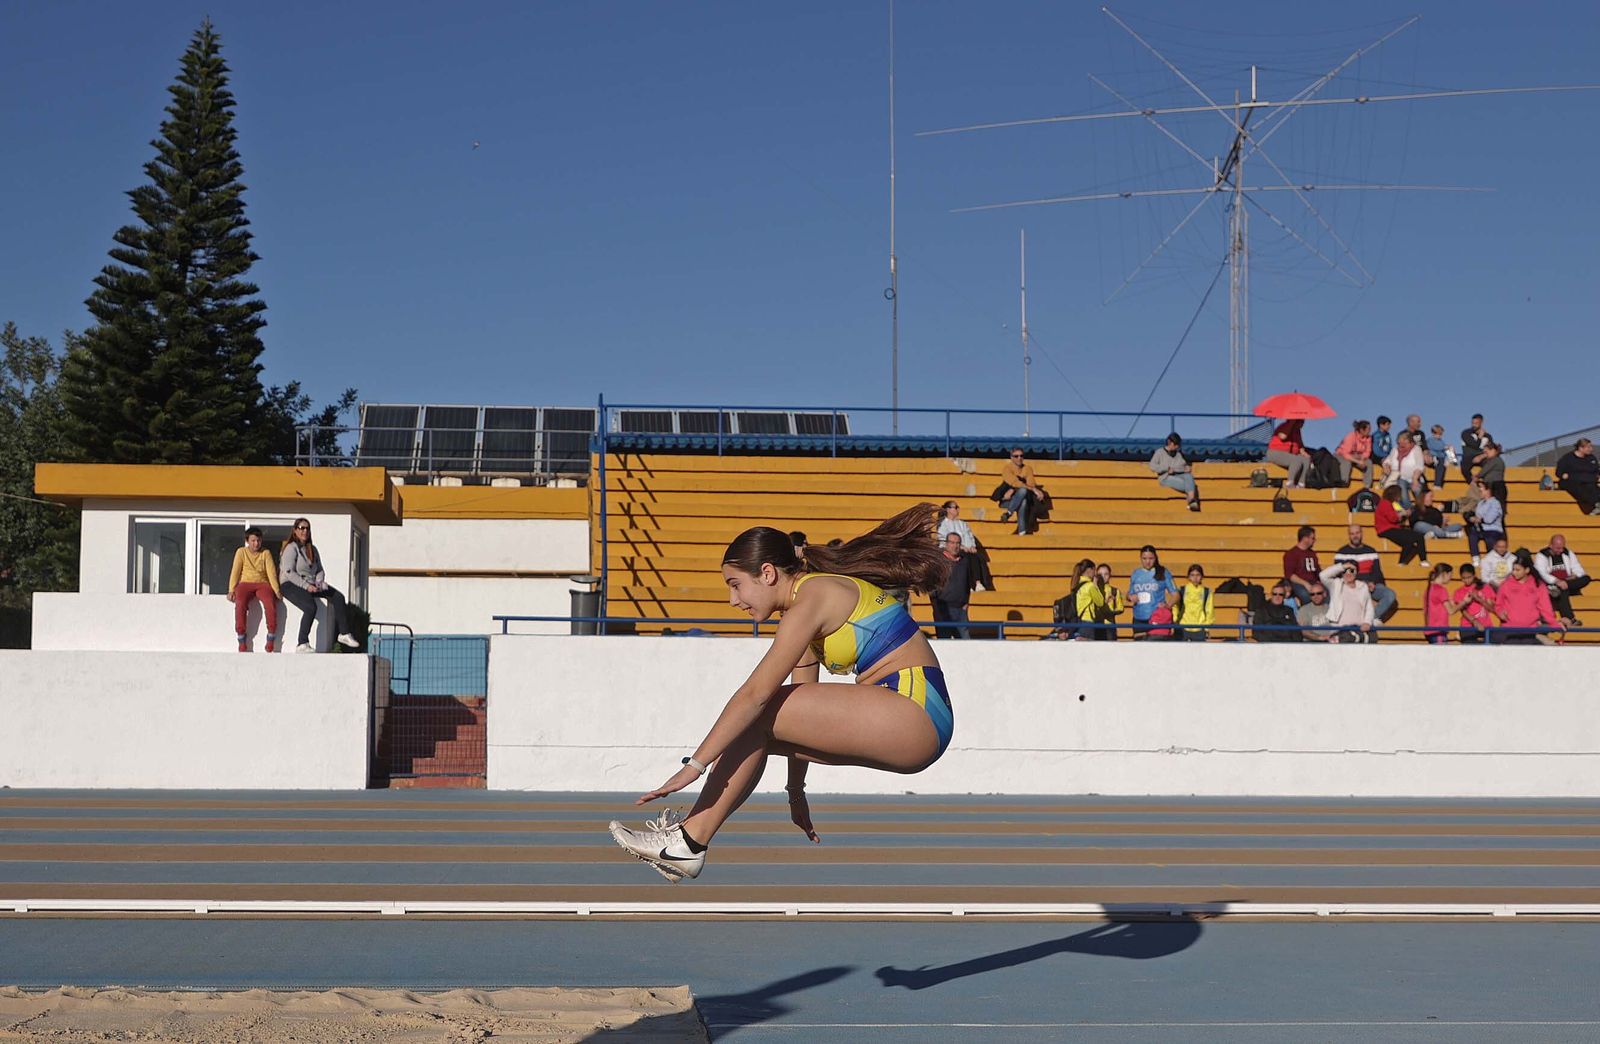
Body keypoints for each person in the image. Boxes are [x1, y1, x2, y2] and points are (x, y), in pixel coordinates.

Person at [608, 504, 954, 881]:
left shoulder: (814, 596)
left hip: (915, 711)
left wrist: (694, 766)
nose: (733, 600)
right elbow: (802, 704)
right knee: (756, 730)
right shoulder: (802, 609)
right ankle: (689, 844)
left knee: (757, 711)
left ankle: (688, 840)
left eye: (736, 584)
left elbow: (756, 694)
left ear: (768, 573)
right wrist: (795, 791)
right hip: (912, 722)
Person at [278, 518, 361, 653]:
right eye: (302, 528)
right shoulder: (291, 548)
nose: (305, 531)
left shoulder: (312, 549)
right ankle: (302, 643)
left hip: (310, 582)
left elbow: (320, 570)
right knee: (310, 607)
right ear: (295, 531)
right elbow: (288, 572)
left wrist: (319, 582)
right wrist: (306, 586)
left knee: (338, 597)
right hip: (290, 584)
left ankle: (344, 634)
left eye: (307, 528)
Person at [1491, 554, 1566, 645]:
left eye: (1518, 570)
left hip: (1530, 631)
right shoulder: (1505, 585)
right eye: (1513, 569)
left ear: (1527, 570)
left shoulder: (1538, 585)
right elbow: (1498, 605)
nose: (1514, 572)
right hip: (1509, 630)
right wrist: (1500, 612)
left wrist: (1555, 624)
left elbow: (1545, 609)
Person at [227, 526, 281, 653]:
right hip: (245, 583)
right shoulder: (241, 552)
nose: (256, 543)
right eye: (253, 541)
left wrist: (276, 590)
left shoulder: (265, 553)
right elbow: (235, 571)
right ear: (247, 541)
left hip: (262, 583)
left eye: (258, 540)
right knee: (240, 603)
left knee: (270, 603)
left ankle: (271, 636)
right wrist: (231, 589)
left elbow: (271, 572)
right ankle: (241, 637)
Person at [1333, 524, 1397, 623]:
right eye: (1352, 534)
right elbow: (1339, 575)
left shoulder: (1371, 551)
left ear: (1361, 533)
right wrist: (1360, 584)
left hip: (1370, 585)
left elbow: (1377, 572)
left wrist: (1373, 583)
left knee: (1390, 594)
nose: (1355, 536)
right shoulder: (1341, 553)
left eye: (1357, 533)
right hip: (1352, 586)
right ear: (1349, 535)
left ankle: (1370, 619)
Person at [1535, 534, 1589, 625]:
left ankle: (1562, 587)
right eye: (1557, 548)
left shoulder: (1568, 553)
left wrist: (1574, 576)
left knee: (1586, 578)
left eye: (1562, 548)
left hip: (1567, 582)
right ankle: (1570, 618)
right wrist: (1557, 581)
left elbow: (1579, 570)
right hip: (1552, 584)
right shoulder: (1542, 555)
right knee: (1563, 590)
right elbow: (1541, 573)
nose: (1560, 550)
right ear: (1551, 545)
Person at [1317, 560, 1376, 641]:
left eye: (1352, 571)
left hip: (1358, 629)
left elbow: (1369, 607)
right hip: (1339, 630)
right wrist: (1342, 566)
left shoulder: (1363, 586)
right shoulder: (1335, 584)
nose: (1348, 574)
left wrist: (1367, 622)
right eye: (1345, 571)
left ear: (1356, 572)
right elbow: (1323, 575)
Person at [1127, 545, 1177, 639]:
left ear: (1155, 558)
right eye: (1144, 558)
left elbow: (1176, 595)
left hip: (1157, 617)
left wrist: (1168, 606)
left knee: (1155, 645)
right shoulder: (1136, 574)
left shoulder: (1163, 572)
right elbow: (1129, 593)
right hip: (1139, 618)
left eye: (1151, 558)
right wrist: (1130, 597)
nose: (1148, 561)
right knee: (1140, 646)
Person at [929, 533, 973, 639]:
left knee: (965, 643)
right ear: (946, 544)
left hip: (960, 610)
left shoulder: (965, 561)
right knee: (944, 642)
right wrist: (936, 608)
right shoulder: (939, 562)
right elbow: (932, 587)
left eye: (958, 543)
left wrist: (966, 603)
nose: (955, 546)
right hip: (943, 609)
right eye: (952, 543)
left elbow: (967, 583)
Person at [1375, 486, 1429, 568]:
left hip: (1388, 529)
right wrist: (1403, 514)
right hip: (1387, 529)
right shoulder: (1385, 503)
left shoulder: (1386, 503)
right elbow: (1393, 518)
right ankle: (1423, 560)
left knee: (1408, 543)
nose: (1400, 497)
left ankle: (1402, 563)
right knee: (1418, 537)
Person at [1149, 433, 1201, 511]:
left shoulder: (1178, 454)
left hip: (1178, 475)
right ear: (1170, 442)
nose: (1177, 447)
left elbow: (1181, 465)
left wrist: (1186, 468)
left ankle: (1191, 501)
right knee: (1190, 485)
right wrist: (1166, 469)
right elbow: (1152, 466)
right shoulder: (1159, 452)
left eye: (1178, 445)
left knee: (1189, 476)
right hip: (1165, 478)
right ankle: (1191, 502)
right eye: (1176, 445)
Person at [998, 448, 1043, 535]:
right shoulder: (1007, 469)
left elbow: (1031, 483)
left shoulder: (1027, 469)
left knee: (1023, 500)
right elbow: (1014, 482)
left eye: (1021, 456)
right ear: (1011, 457)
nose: (1019, 458)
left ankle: (1009, 514)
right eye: (1016, 456)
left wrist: (1014, 489)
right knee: (1023, 491)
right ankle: (1022, 530)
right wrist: (1034, 489)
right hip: (1008, 501)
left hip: (1021, 499)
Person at [1463, 478, 1505, 565]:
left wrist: (1478, 519)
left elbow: (1489, 519)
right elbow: (1476, 515)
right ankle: (1475, 558)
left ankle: (1492, 559)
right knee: (1472, 535)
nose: (1479, 491)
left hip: (1493, 529)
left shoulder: (1495, 503)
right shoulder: (1481, 503)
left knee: (1489, 538)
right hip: (1481, 529)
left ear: (1488, 490)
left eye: (1481, 488)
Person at [1381, 432, 1427, 509]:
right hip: (1399, 478)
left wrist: (1415, 479)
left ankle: (1421, 509)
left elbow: (1419, 465)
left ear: (1410, 442)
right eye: (1399, 443)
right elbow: (1387, 461)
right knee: (1400, 487)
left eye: (1404, 442)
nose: (1401, 445)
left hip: (1415, 477)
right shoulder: (1395, 450)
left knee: (1418, 490)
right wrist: (1386, 466)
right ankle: (1408, 508)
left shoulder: (1416, 449)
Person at [1554, 438, 1600, 515]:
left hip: (1588, 481)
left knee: (1591, 486)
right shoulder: (1567, 458)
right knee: (1580, 486)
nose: (1591, 449)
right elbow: (1559, 473)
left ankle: (1597, 504)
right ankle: (1597, 504)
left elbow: (1596, 471)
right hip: (1572, 482)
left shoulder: (1591, 458)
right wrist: (1564, 475)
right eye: (1588, 447)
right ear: (1580, 448)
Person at [1266, 418, 1312, 489]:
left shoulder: (1297, 431)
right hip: (1275, 453)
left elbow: (1300, 446)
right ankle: (1290, 483)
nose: (1302, 423)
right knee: (1296, 460)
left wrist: (1305, 454)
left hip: (1290, 455)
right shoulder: (1284, 426)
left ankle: (1301, 483)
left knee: (1306, 459)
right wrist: (1291, 423)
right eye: (1300, 421)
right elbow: (1283, 436)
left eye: (1303, 421)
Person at [1454, 563, 1494, 644]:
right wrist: (1474, 621)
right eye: (1464, 578)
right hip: (1467, 627)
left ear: (1474, 575)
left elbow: (1491, 608)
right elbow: (1463, 611)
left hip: (1486, 625)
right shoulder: (1459, 592)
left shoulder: (1485, 587)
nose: (1466, 580)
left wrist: (1479, 599)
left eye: (1469, 577)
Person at [1281, 526, 1322, 604]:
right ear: (1305, 538)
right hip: (1298, 583)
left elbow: (1317, 572)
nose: (1314, 541)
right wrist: (1305, 584)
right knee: (1307, 595)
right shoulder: (1291, 554)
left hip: (1313, 582)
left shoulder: (1312, 553)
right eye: (1312, 538)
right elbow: (1290, 575)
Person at [1173, 564, 1213, 641]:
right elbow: (1176, 606)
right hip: (1183, 627)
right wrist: (1175, 621)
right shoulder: (1182, 590)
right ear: (1188, 577)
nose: (1195, 578)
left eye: (1198, 575)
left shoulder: (1207, 592)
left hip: (1200, 627)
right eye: (1192, 575)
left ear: (1202, 577)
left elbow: (1209, 610)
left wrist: (1207, 627)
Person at [1423, 563, 1459, 644]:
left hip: (1430, 630)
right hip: (1439, 631)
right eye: (1450, 575)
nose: (1450, 578)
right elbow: (1451, 611)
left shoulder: (1428, 589)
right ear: (1445, 574)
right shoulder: (1441, 590)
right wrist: (1464, 602)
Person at [1335, 420, 1374, 488]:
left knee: (1369, 462)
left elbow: (1367, 451)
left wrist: (1362, 459)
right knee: (1347, 463)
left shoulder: (1368, 438)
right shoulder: (1350, 436)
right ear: (1362, 430)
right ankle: (1343, 484)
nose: (1370, 431)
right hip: (1342, 455)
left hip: (1357, 456)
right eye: (1368, 429)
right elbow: (1345, 454)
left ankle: (1367, 486)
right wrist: (1358, 462)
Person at [1094, 563, 1124, 640]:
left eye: (1106, 574)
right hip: (1096, 624)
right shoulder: (1093, 590)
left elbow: (1120, 608)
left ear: (1110, 575)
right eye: (1100, 574)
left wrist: (1110, 612)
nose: (1103, 576)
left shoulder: (1114, 591)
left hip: (1109, 625)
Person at [1476, 442, 1508, 514]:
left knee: (1497, 507)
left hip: (1496, 485)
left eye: (1487, 452)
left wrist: (1476, 476)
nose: (1485, 454)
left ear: (1493, 450)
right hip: (1494, 485)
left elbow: (1483, 471)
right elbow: (1476, 460)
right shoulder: (1493, 460)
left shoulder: (1495, 460)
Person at [1460, 414, 1491, 485]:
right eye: (1473, 423)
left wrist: (1482, 456)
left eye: (1476, 423)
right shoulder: (1466, 433)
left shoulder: (1488, 436)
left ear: (1481, 423)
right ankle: (1473, 484)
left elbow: (1492, 449)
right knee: (1464, 467)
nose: (1474, 425)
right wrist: (1480, 437)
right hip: (1468, 456)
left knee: (1491, 465)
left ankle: (1487, 486)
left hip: (1482, 456)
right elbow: (1475, 445)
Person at [1426, 425, 1452, 490]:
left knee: (1450, 450)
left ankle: (1453, 461)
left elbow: (1444, 451)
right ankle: (1437, 484)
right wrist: (1444, 447)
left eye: (1441, 434)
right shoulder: (1430, 440)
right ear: (1433, 433)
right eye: (1437, 433)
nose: (1439, 435)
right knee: (1439, 464)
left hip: (1441, 457)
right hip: (1433, 456)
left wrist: (1447, 450)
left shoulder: (1441, 441)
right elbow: (1435, 447)